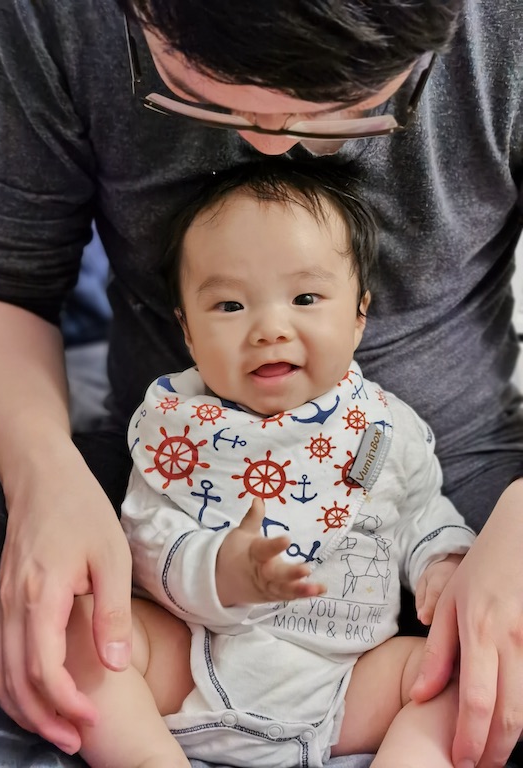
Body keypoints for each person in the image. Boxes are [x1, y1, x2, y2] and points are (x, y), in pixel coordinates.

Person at [0, 0, 522, 766]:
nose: (269, 145)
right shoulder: (170, 428)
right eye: (199, 89)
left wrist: (490, 543)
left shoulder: (392, 438)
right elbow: (3, 284)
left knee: (465, 688)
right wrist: (42, 480)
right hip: (145, 533)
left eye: (346, 108)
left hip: (476, 481)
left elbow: (423, 510)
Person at [64, 161, 478, 768]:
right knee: (80, 626)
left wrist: (443, 562)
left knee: (458, 668)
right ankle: (148, 757)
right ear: (186, 329)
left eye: (306, 298)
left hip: (346, 682)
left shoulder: (382, 427)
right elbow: (148, 542)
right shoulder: (181, 432)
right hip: (196, 665)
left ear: (359, 313)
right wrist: (225, 573)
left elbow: (421, 511)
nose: (269, 329)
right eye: (229, 306)